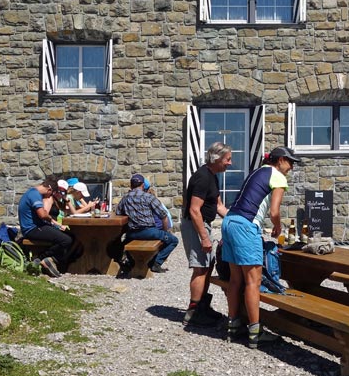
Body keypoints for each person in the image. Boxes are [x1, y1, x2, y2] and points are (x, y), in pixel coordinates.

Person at [221, 146, 302, 348]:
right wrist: (278, 227)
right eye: (291, 162)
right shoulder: (278, 177)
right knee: (253, 281)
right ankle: (255, 332)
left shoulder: (257, 171)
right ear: (281, 160)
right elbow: (274, 211)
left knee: (235, 278)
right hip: (246, 227)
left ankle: (233, 325)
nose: (291, 167)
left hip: (229, 221)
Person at [181, 142, 232, 328]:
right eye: (228, 159)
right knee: (201, 267)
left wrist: (237, 220)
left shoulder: (212, 176)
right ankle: (194, 312)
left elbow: (219, 206)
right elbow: (194, 210)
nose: (230, 163)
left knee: (208, 265)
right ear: (216, 159)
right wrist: (204, 237)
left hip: (203, 223)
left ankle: (202, 305)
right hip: (196, 224)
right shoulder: (203, 177)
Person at [116, 173, 178, 273]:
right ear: (142, 185)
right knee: (173, 240)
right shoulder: (149, 197)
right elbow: (163, 215)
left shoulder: (125, 198)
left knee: (122, 243)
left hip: (132, 233)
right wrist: (165, 231)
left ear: (131, 185)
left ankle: (132, 263)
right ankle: (156, 263)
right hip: (149, 231)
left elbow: (118, 213)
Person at [17, 178, 77, 277]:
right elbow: (42, 215)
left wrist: (54, 224)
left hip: (37, 226)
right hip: (32, 229)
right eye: (51, 193)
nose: (50, 196)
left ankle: (51, 260)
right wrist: (53, 222)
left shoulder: (32, 193)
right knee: (66, 240)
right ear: (49, 189)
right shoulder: (35, 194)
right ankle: (41, 259)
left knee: (71, 236)